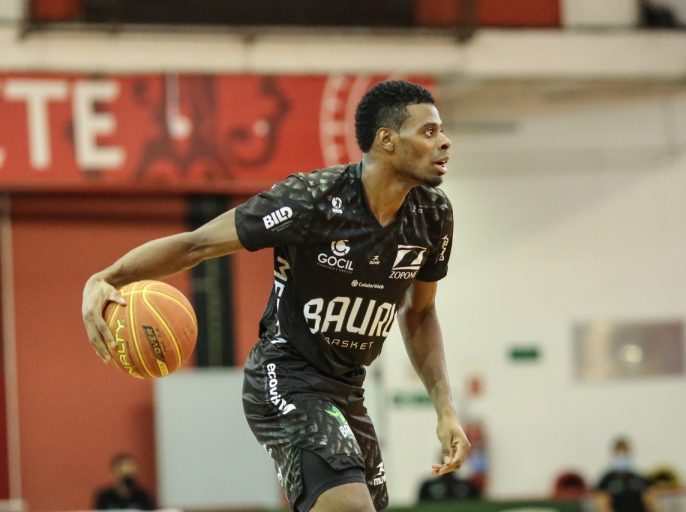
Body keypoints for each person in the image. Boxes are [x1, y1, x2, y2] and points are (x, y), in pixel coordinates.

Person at [81, 80, 470, 512]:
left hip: (348, 389)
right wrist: (107, 277)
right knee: (351, 507)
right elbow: (197, 244)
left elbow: (420, 314)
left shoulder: (433, 215)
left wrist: (445, 410)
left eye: (442, 130)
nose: (445, 141)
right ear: (387, 140)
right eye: (429, 131)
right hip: (284, 375)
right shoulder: (312, 199)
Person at [593, 437, 658, 512]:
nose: (622, 456)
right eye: (619, 453)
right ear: (614, 454)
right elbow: (601, 502)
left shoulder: (639, 477)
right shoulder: (607, 479)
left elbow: (650, 499)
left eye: (625, 452)